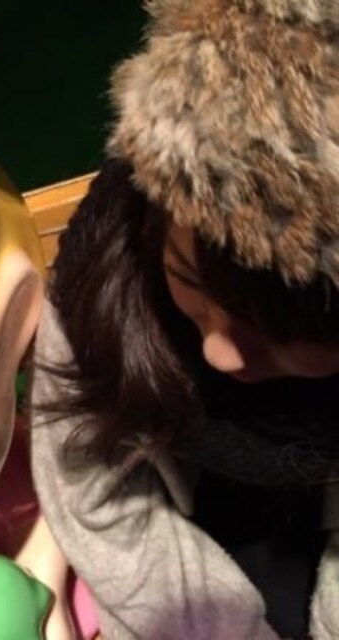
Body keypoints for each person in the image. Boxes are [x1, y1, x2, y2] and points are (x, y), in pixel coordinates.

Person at [30, 1, 339, 638]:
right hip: (176, 542)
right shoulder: (104, 272)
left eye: (285, 333)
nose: (221, 353)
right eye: (190, 281)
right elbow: (89, 490)